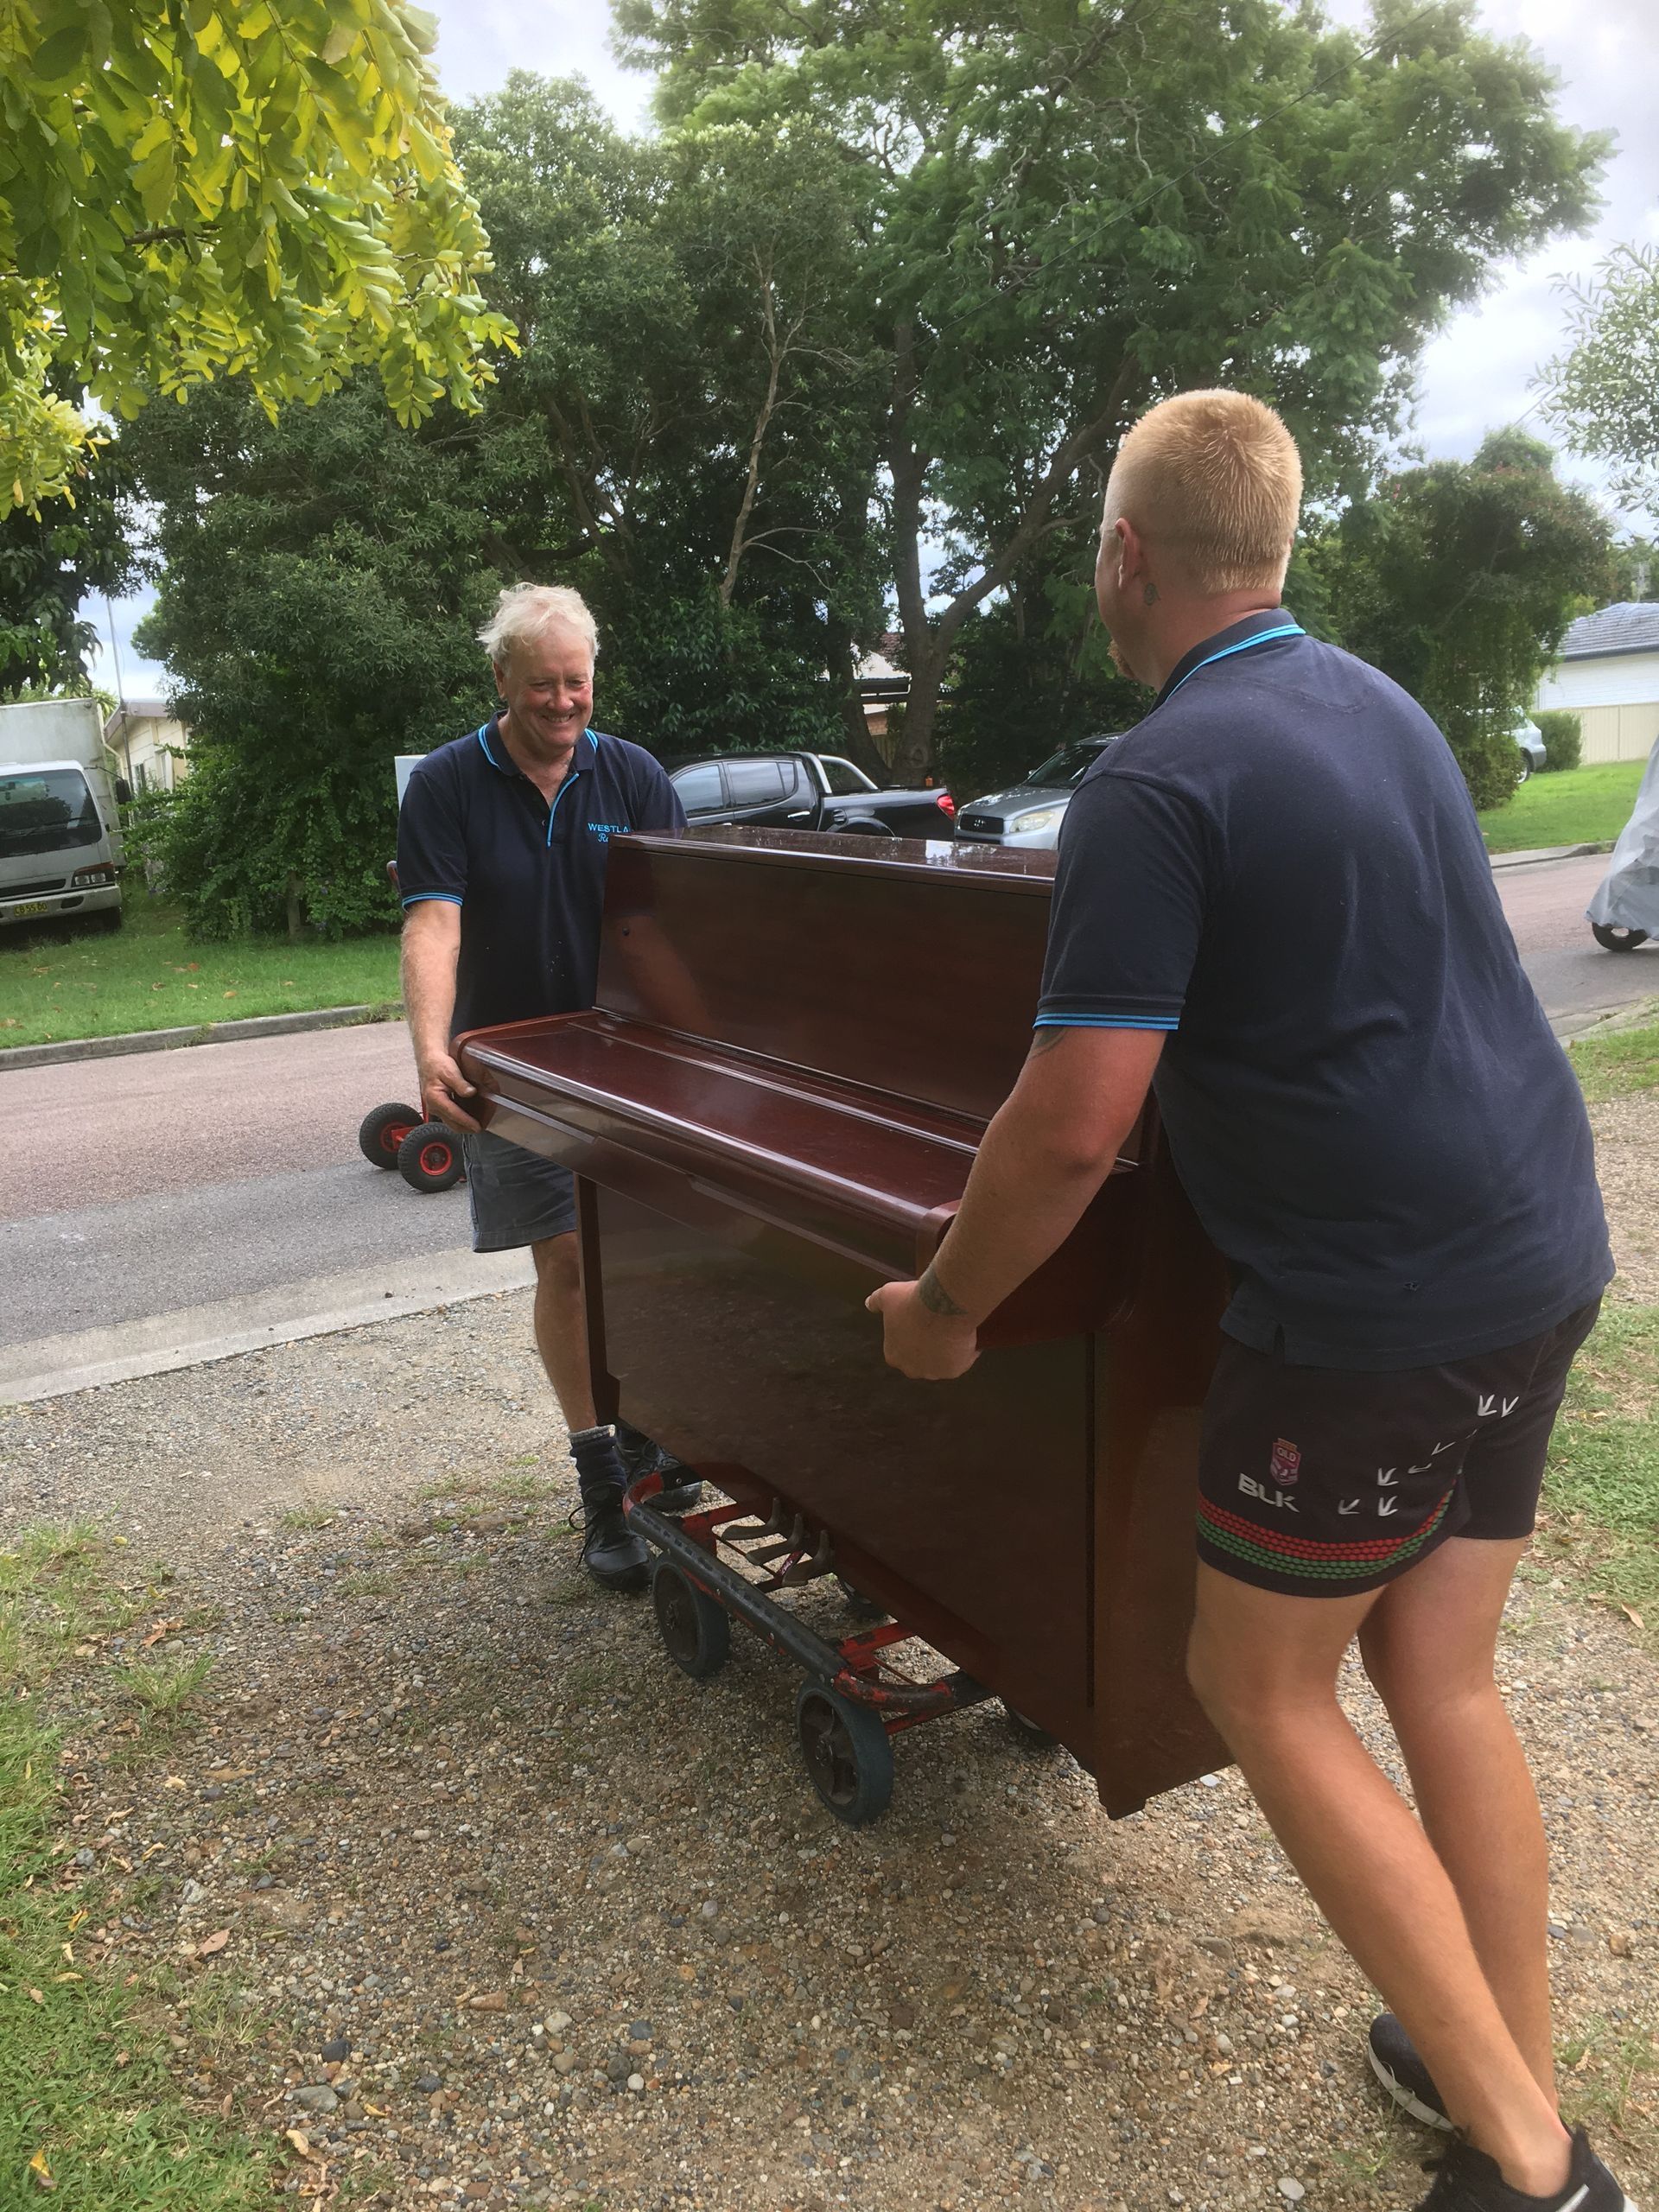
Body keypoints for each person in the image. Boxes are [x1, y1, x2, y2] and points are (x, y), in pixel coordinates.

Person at [869, 392, 1636, 2212]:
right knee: (1435, 1664)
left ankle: (1534, 2165)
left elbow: (1069, 1127)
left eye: (1099, 558)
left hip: (1378, 1309)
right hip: (1541, 1247)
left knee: (1254, 1679)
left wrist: (947, 1308)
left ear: (1130, 556)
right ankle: (1493, 2064)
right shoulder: (1378, 703)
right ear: (1276, 547)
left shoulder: (1155, 779)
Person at [397, 582, 696, 1592]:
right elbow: (434, 922)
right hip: (512, 1069)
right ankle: (601, 1476)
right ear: (501, 683)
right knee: (567, 1263)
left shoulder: (637, 776)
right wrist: (432, 1047)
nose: (563, 703)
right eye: (541, 687)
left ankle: (655, 1432)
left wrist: (713, 1047)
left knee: (653, 1257)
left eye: (577, 683)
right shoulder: (445, 784)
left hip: (632, 1066)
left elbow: (675, 923)